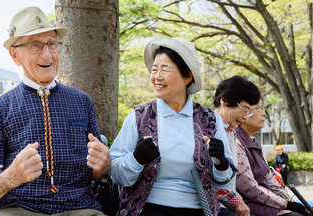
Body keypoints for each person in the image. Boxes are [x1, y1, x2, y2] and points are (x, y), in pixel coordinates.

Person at [0, 6, 111, 216]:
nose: (47, 54)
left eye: (52, 44)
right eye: (35, 45)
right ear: (14, 55)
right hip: (19, 210)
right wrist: (12, 176)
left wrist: (103, 167)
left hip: (80, 208)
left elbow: (94, 175)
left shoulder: (82, 102)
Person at [110, 37, 236, 216]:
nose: (157, 77)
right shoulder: (138, 117)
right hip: (146, 208)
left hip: (199, 209)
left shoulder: (210, 119)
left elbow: (224, 182)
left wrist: (221, 161)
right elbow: (116, 173)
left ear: (187, 76)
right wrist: (135, 159)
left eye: (165, 69)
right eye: (154, 69)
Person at [235, 100, 309, 216]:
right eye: (257, 108)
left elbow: (271, 181)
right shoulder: (236, 142)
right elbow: (250, 188)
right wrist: (286, 204)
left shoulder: (255, 141)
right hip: (251, 205)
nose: (263, 113)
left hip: (270, 202)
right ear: (243, 113)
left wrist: (291, 202)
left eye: (262, 108)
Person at [214, 75, 261, 216]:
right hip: (212, 206)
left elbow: (231, 171)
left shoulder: (231, 131)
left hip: (226, 205)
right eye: (244, 109)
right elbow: (203, 177)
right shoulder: (208, 128)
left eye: (249, 111)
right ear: (225, 102)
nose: (246, 116)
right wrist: (235, 200)